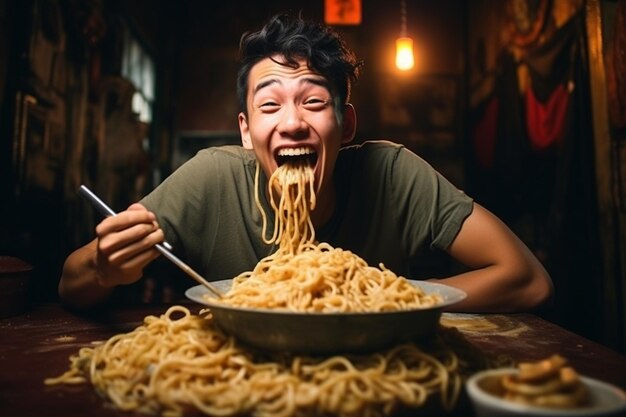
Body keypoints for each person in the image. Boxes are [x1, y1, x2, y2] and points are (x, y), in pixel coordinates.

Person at [59, 14, 553, 311]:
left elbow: (528, 279)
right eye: (269, 105)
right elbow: (70, 282)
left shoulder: (394, 173)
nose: (292, 122)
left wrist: (384, 298)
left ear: (348, 123)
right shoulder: (210, 178)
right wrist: (107, 270)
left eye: (314, 102)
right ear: (246, 132)